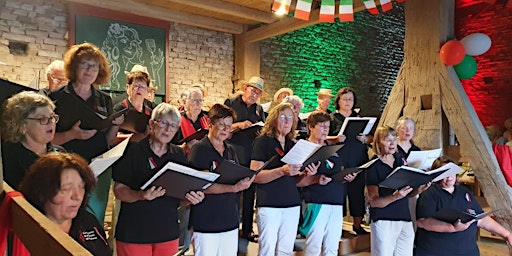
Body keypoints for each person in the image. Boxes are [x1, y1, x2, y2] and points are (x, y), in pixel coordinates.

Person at [112, 103, 204, 256]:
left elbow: (180, 196)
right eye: (164, 123)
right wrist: (140, 195)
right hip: (134, 232)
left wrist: (191, 198)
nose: (168, 130)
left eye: (174, 126)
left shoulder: (179, 155)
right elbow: (119, 191)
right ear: (151, 123)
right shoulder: (132, 151)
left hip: (167, 232)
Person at [49, 42, 124, 224]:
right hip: (66, 167)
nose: (89, 70)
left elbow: (106, 140)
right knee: (64, 218)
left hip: (97, 169)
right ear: (74, 67)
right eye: (84, 64)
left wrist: (115, 125)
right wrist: (71, 135)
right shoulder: (56, 97)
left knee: (93, 220)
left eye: (94, 66)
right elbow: (45, 137)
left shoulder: (104, 100)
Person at [251, 102, 319, 255]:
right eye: (283, 117)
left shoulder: (293, 144)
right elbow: (255, 175)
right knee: (267, 249)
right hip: (270, 204)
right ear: (274, 119)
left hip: (292, 204)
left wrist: (308, 174)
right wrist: (281, 171)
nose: (287, 121)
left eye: (290, 118)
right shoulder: (263, 141)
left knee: (286, 250)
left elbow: (296, 180)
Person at [187, 103, 254, 255]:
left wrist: (245, 180)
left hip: (229, 218)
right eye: (221, 125)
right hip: (206, 221)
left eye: (229, 126)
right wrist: (234, 188)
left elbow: (236, 174)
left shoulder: (230, 149)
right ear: (210, 124)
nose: (225, 130)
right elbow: (200, 185)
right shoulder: (199, 149)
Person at [415, 156, 512, 255]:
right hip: (438, 251)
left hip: (468, 251)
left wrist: (507, 234)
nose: (449, 177)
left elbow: (480, 218)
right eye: (444, 174)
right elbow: (423, 222)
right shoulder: (429, 193)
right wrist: (452, 228)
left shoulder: (464, 192)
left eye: (451, 172)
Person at [19, 152, 111, 256]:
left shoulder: (88, 221)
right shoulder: (26, 230)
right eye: (66, 189)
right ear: (42, 193)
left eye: (81, 187)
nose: (77, 196)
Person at [366, 126, 430, 256]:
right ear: (378, 143)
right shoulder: (373, 165)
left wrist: (419, 189)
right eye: (388, 140)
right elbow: (374, 202)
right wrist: (395, 197)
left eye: (394, 139)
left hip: (404, 218)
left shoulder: (400, 161)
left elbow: (409, 193)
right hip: (383, 219)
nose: (392, 143)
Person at [300, 111, 356, 256]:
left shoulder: (332, 148)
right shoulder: (304, 148)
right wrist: (313, 178)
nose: (326, 130)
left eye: (328, 126)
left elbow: (339, 170)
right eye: (322, 126)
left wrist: (346, 177)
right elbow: (296, 179)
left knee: (332, 246)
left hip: (336, 201)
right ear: (311, 127)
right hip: (316, 201)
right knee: (314, 245)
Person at [224, 76, 266, 242]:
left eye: (258, 93)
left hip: (252, 155)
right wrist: (238, 125)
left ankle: (247, 230)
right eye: (252, 90)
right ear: (245, 88)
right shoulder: (231, 103)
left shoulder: (259, 109)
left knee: (249, 194)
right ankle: (231, 228)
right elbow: (221, 125)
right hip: (233, 153)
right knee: (233, 193)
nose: (254, 95)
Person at [328, 87, 369, 235]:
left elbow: (369, 138)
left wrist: (365, 139)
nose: (347, 102)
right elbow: (322, 138)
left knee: (357, 193)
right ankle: (337, 226)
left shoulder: (359, 118)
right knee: (339, 193)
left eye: (350, 99)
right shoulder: (332, 118)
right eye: (344, 99)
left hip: (358, 160)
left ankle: (357, 225)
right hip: (340, 162)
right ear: (338, 101)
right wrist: (335, 139)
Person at [1, 91, 63, 189]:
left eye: (52, 117)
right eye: (42, 119)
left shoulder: (60, 153)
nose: (51, 123)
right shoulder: (8, 157)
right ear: (22, 125)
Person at [114, 70, 154, 141]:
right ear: (127, 87)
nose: (139, 89)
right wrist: (137, 136)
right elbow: (112, 137)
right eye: (136, 86)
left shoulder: (150, 113)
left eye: (143, 86)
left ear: (147, 90)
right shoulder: (119, 109)